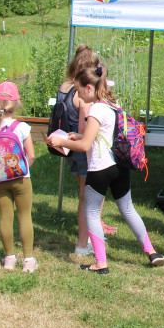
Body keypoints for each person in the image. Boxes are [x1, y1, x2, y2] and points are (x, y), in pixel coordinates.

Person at [46, 67, 164, 273]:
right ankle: (151, 251)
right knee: (128, 209)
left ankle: (101, 263)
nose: (78, 96)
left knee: (91, 212)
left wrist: (60, 140)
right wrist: (75, 135)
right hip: (119, 166)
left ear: (89, 87)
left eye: (79, 91)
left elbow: (85, 146)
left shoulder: (95, 110)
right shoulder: (112, 106)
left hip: (100, 168)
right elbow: (100, 136)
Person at [0, 81, 37, 273]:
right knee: (24, 216)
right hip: (21, 179)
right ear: (16, 104)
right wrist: (23, 170)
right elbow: (31, 155)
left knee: (5, 216)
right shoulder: (22, 127)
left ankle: (9, 259)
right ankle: (28, 260)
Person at [56, 44, 107, 258]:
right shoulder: (84, 97)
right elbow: (84, 131)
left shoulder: (65, 87)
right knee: (91, 200)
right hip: (84, 151)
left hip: (69, 149)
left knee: (84, 196)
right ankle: (84, 242)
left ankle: (92, 235)